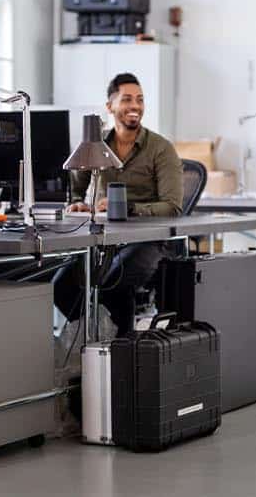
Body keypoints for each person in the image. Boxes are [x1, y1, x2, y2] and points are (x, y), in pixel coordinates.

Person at [55, 73, 184, 336]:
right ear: (110, 106)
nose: (135, 106)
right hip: (105, 240)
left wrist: (128, 208)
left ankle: (120, 349)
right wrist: (78, 204)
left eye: (139, 100)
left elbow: (172, 206)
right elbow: (76, 189)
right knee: (62, 285)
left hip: (150, 239)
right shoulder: (95, 145)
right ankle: (98, 334)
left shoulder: (160, 149)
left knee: (114, 280)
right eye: (126, 99)